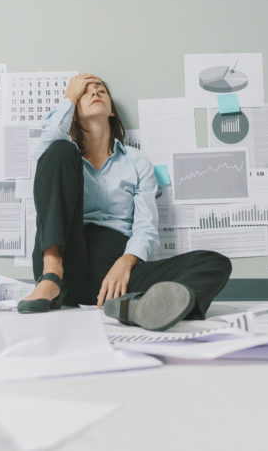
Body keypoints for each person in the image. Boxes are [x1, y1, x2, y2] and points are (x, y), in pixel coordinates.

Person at [17, 73, 233, 331]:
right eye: (85, 92)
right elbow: (47, 153)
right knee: (59, 150)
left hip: (115, 272)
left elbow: (146, 227)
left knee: (213, 262)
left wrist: (126, 262)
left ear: (111, 111)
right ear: (74, 111)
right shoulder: (64, 156)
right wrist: (68, 98)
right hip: (66, 263)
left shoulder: (136, 161)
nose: (95, 93)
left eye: (101, 90)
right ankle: (50, 277)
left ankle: (139, 307)